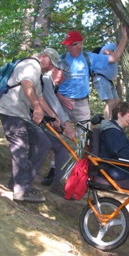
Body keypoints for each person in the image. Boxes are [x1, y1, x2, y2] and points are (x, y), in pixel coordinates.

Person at [0, 48, 67, 202]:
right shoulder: (31, 65)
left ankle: (18, 181)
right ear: (43, 57)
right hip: (10, 109)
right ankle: (21, 189)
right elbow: (26, 84)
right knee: (20, 145)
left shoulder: (38, 73)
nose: (50, 68)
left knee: (41, 141)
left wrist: (53, 117)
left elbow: (40, 97)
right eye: (50, 63)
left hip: (21, 114)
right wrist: (37, 108)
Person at [57, 26, 128, 126]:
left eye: (71, 44)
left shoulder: (89, 57)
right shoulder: (60, 59)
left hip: (81, 104)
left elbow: (114, 58)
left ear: (80, 44)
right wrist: (60, 97)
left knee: (84, 137)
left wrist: (124, 39)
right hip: (63, 103)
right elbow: (50, 81)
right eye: (66, 45)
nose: (68, 47)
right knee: (61, 137)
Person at [39, 62, 76, 197]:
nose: (64, 79)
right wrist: (66, 123)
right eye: (63, 75)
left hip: (42, 121)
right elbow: (53, 103)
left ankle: (57, 183)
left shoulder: (51, 83)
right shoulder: (45, 81)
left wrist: (56, 120)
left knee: (61, 146)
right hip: (33, 122)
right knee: (45, 145)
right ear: (54, 69)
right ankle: (25, 182)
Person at [91, 42, 120, 120]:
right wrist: (111, 52)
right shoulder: (108, 48)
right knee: (111, 102)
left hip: (107, 80)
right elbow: (106, 52)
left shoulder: (110, 48)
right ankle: (107, 124)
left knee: (117, 102)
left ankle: (114, 121)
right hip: (101, 78)